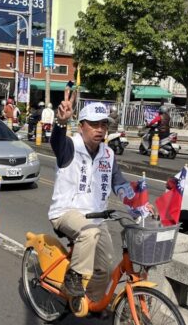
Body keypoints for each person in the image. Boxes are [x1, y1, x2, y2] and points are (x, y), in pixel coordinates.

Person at [48, 94, 153, 302]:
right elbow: (56, 142)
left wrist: (138, 203)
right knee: (89, 233)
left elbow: (119, 183)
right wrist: (61, 123)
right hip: (67, 212)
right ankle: (73, 276)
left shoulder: (108, 154)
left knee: (104, 267)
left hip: (96, 217)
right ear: (81, 126)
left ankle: (92, 302)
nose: (100, 129)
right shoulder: (69, 147)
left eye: (104, 125)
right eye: (94, 124)